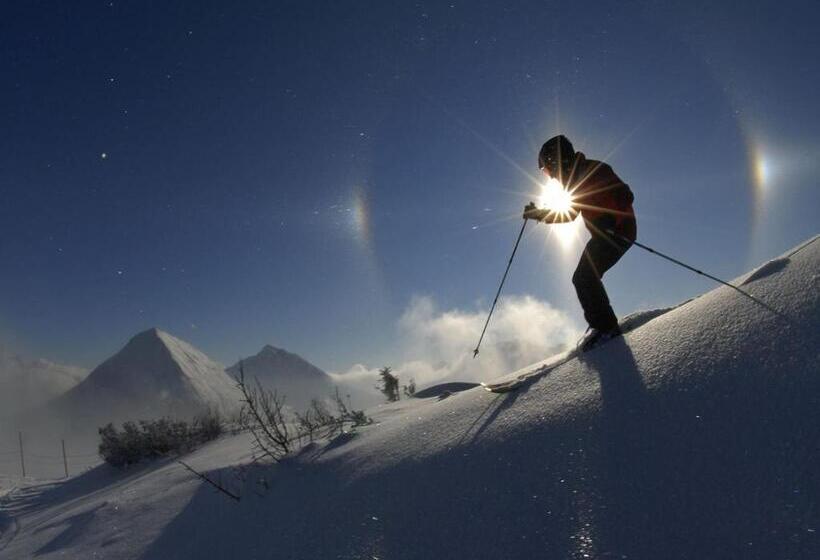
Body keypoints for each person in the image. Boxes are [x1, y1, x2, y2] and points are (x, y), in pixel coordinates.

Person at [523, 135, 637, 352]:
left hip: (619, 231)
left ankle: (606, 328)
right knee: (583, 277)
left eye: (548, 169)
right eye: (546, 172)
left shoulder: (594, 170)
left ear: (559, 161)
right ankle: (603, 326)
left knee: (585, 277)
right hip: (605, 235)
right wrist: (538, 214)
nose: (551, 176)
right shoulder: (574, 181)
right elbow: (569, 214)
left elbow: (624, 194)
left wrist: (611, 217)